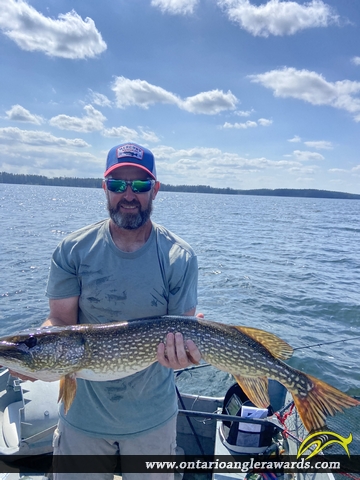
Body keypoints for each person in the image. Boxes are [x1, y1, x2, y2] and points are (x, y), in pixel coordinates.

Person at [42, 142, 201, 479]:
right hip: (82, 419)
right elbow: (60, 322)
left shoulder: (179, 258)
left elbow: (182, 333)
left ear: (155, 190)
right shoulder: (73, 250)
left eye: (140, 185)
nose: (129, 194)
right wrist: (36, 352)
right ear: (105, 188)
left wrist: (183, 354)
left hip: (152, 421)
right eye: (117, 185)